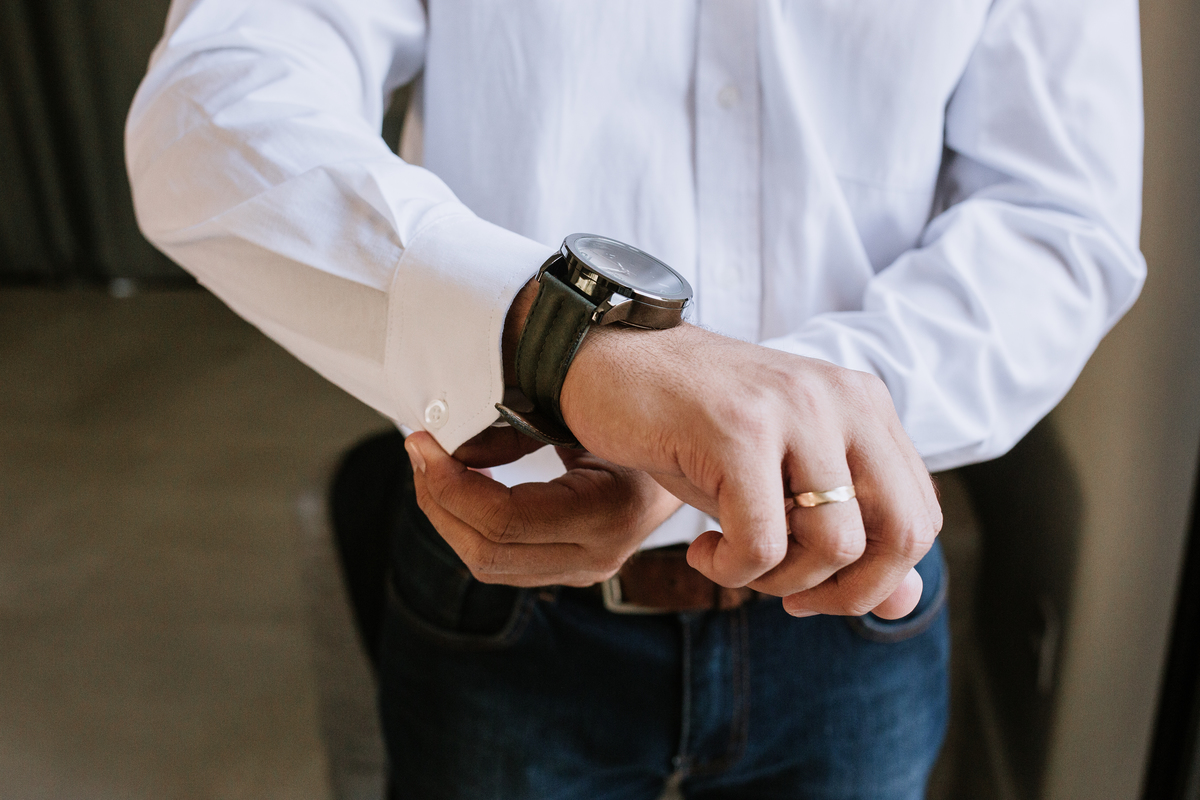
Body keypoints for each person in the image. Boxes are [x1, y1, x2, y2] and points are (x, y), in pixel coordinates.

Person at [126, 1, 1146, 798]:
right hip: (509, 584)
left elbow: (1057, 219)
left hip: (852, 575)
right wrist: (566, 355)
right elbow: (211, 106)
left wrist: (744, 436)